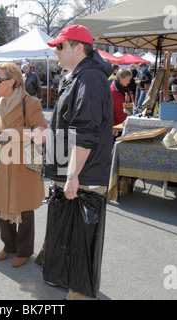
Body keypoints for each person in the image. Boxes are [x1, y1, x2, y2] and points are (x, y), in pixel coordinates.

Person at [33, 24, 113, 300]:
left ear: (79, 48)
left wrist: (72, 175)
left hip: (84, 175)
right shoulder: (76, 75)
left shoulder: (89, 78)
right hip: (72, 170)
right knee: (68, 232)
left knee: (82, 238)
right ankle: (65, 279)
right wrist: (49, 134)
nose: (55, 51)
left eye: (60, 46)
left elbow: (86, 132)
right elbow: (70, 124)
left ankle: (79, 291)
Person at [0, 62, 47, 268]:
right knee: (3, 204)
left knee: (25, 207)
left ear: (11, 81)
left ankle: (24, 250)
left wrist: (13, 134)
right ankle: (8, 246)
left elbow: (40, 129)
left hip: (24, 161)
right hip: (4, 160)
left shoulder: (30, 102)